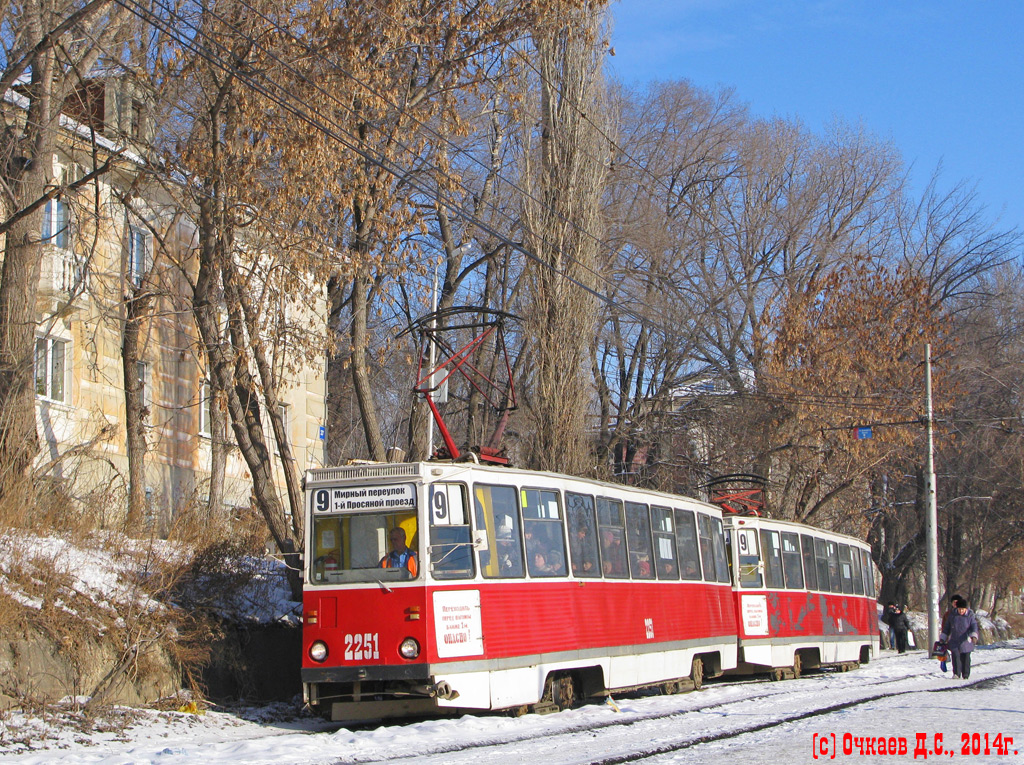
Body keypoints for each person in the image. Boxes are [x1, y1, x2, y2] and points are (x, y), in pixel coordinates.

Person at [939, 596, 980, 679]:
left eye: (962, 609)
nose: (961, 611)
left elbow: (974, 626)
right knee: (955, 656)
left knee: (965, 657)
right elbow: (947, 627)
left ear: (965, 609)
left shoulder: (970, 616)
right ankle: (956, 673)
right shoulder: (952, 616)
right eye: (959, 609)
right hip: (954, 639)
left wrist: (974, 636)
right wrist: (943, 637)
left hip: (966, 640)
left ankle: (965, 674)